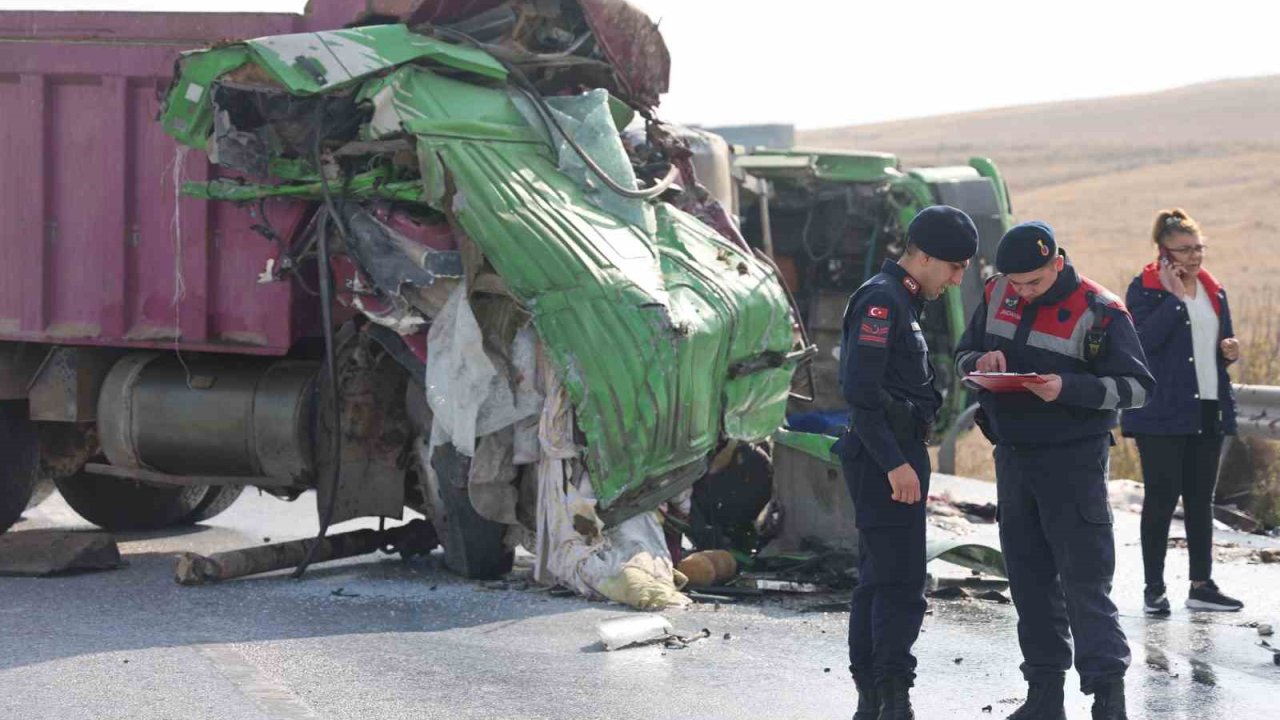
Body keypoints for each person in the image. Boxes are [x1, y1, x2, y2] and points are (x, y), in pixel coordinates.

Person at [954, 221, 1155, 720]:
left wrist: (1068, 388)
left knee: (1084, 582)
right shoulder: (998, 289)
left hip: (1074, 461)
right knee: (1028, 581)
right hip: (1014, 456)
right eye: (1015, 283)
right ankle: (1044, 697)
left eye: (1034, 283)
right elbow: (961, 357)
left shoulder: (1101, 311)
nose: (1020, 293)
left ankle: (1108, 698)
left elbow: (1138, 388)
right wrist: (982, 360)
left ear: (1058, 264)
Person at [837, 205, 977, 720]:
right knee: (898, 582)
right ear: (921, 256)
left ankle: (876, 698)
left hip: (893, 453)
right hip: (884, 458)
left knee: (882, 578)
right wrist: (896, 463)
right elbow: (860, 391)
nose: (959, 277)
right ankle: (890, 697)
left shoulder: (905, 300)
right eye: (954, 266)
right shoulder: (882, 300)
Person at [1121, 208, 1243, 614]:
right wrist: (1175, 302)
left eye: (1199, 248)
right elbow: (1141, 345)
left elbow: (1209, 348)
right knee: (1161, 498)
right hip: (1161, 413)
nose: (1194, 257)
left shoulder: (1213, 289)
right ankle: (1153, 588)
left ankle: (1201, 585)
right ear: (1163, 251)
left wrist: (1227, 351)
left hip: (1207, 407)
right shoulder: (1144, 290)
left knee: (1199, 500)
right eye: (1185, 249)